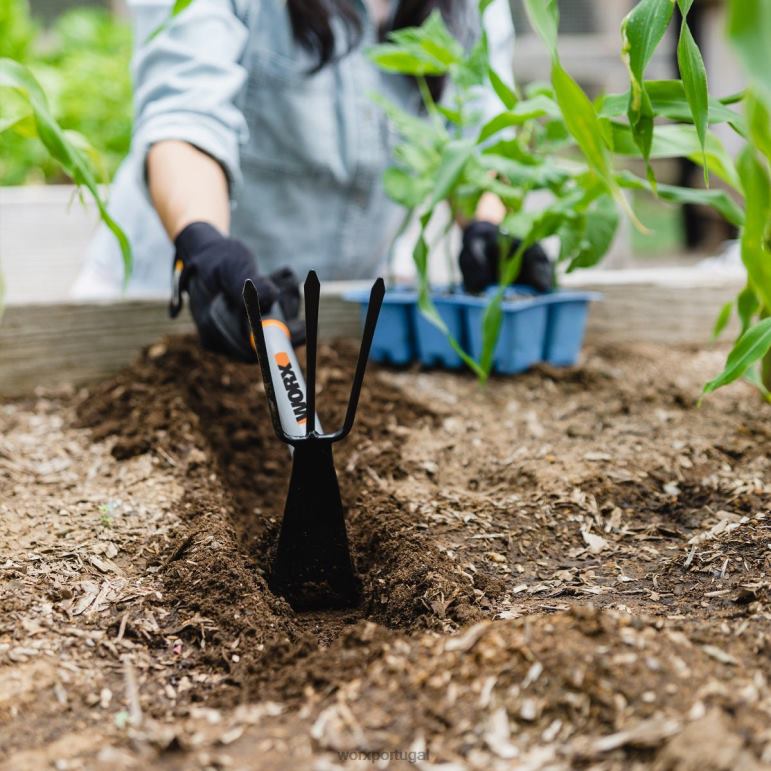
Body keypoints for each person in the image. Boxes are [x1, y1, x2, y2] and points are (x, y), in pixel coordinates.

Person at [73, 0, 549, 361]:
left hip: (339, 328)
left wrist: (487, 226)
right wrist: (205, 244)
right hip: (177, 307)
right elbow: (185, 117)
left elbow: (478, 131)